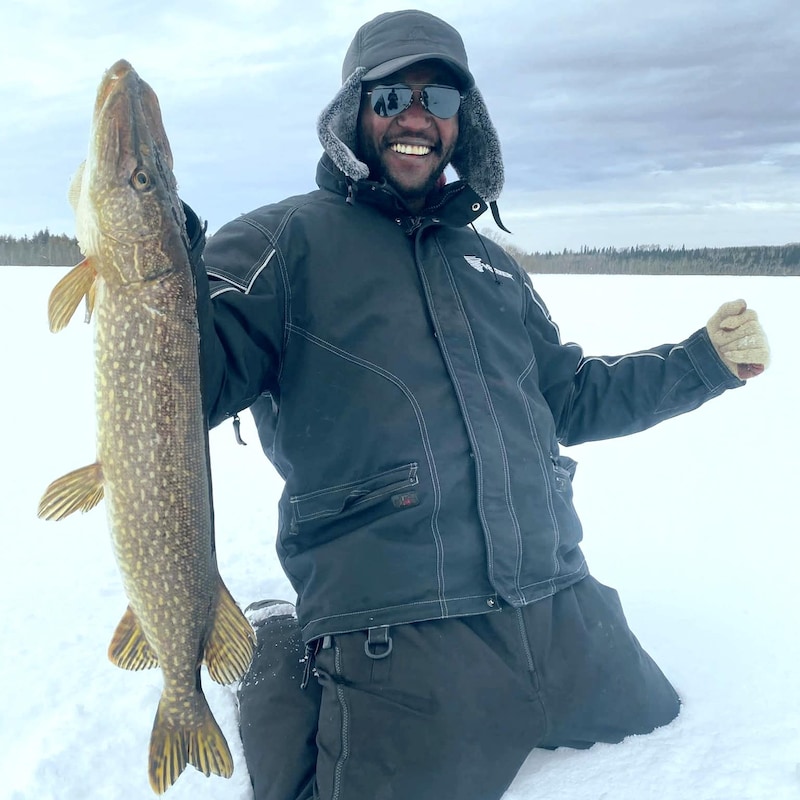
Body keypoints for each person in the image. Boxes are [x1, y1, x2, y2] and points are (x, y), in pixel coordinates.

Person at [185, 10, 770, 800]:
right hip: (401, 625)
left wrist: (703, 363)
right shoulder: (282, 244)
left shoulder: (491, 267)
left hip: (561, 605)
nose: (417, 115)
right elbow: (189, 384)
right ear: (353, 113)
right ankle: (279, 640)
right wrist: (155, 268)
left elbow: (569, 398)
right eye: (392, 95)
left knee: (658, 715)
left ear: (466, 122)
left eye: (442, 97)